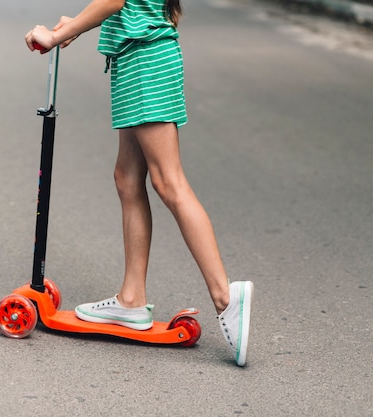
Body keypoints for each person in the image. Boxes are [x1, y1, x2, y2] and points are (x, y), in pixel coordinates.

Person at [25, 0, 254, 366]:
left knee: (169, 182)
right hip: (137, 59)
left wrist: (60, 35)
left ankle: (226, 297)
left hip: (146, 62)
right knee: (128, 178)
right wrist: (76, 25)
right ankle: (131, 299)